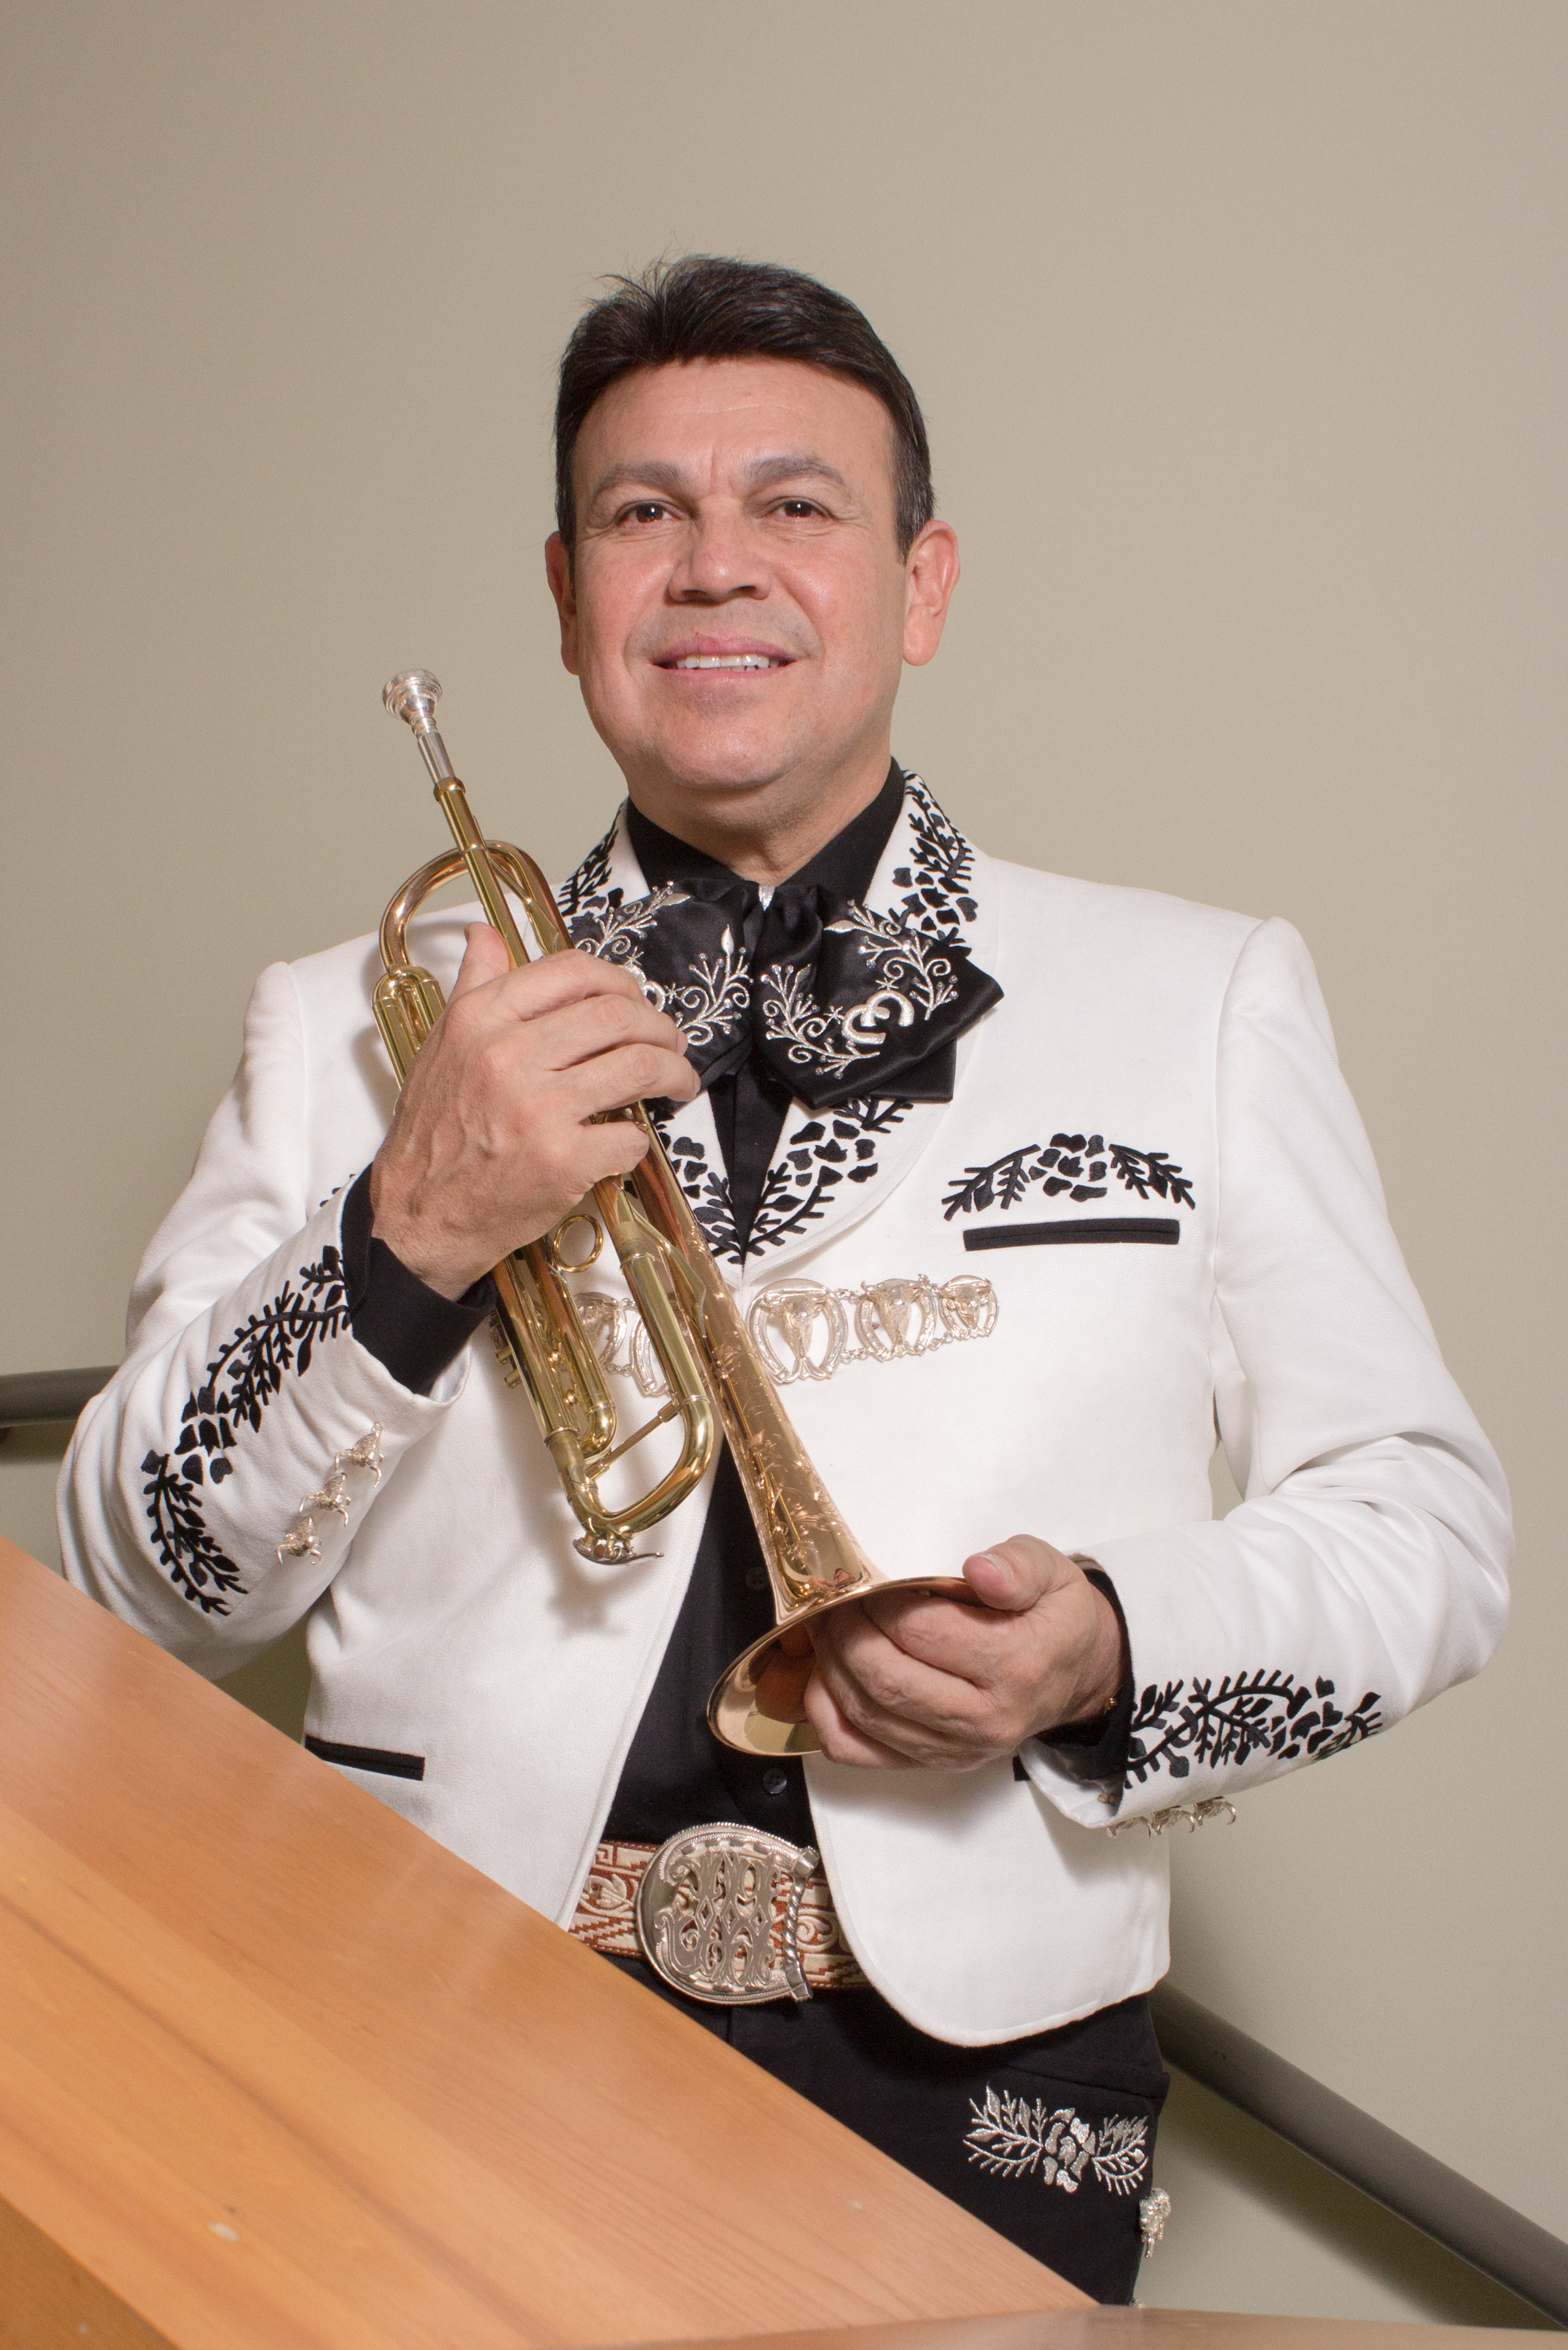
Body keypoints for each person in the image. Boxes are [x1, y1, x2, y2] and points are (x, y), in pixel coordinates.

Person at [60, 257, 1511, 2303]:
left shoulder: (1195, 996)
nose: (713, 566)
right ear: (567, 604)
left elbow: (1425, 1533)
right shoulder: (344, 1030)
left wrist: (1106, 1644)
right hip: (423, 2016)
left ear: (919, 587)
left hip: (977, 2080)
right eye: (645, 515)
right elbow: (135, 1580)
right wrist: (408, 1232)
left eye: (794, 507)